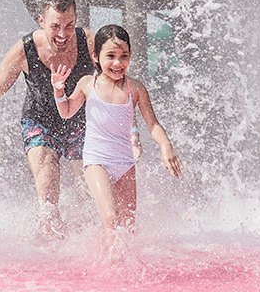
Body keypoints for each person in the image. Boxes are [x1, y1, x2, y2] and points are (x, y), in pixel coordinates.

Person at [0, 0, 94, 241]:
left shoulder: (88, 42)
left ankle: (84, 241)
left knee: (87, 186)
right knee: (47, 174)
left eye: (69, 25)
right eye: (55, 26)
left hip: (80, 120)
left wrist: (129, 131)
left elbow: (116, 79)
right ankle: (48, 240)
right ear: (41, 21)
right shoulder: (25, 50)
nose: (63, 35)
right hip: (40, 121)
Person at [52, 22, 179, 261]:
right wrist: (58, 91)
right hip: (96, 161)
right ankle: (110, 269)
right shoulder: (88, 84)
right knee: (111, 218)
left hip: (125, 163)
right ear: (96, 57)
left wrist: (166, 146)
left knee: (128, 226)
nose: (118, 63)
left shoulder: (136, 88)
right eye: (110, 56)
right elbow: (67, 111)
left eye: (124, 56)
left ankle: (116, 263)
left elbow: (152, 124)